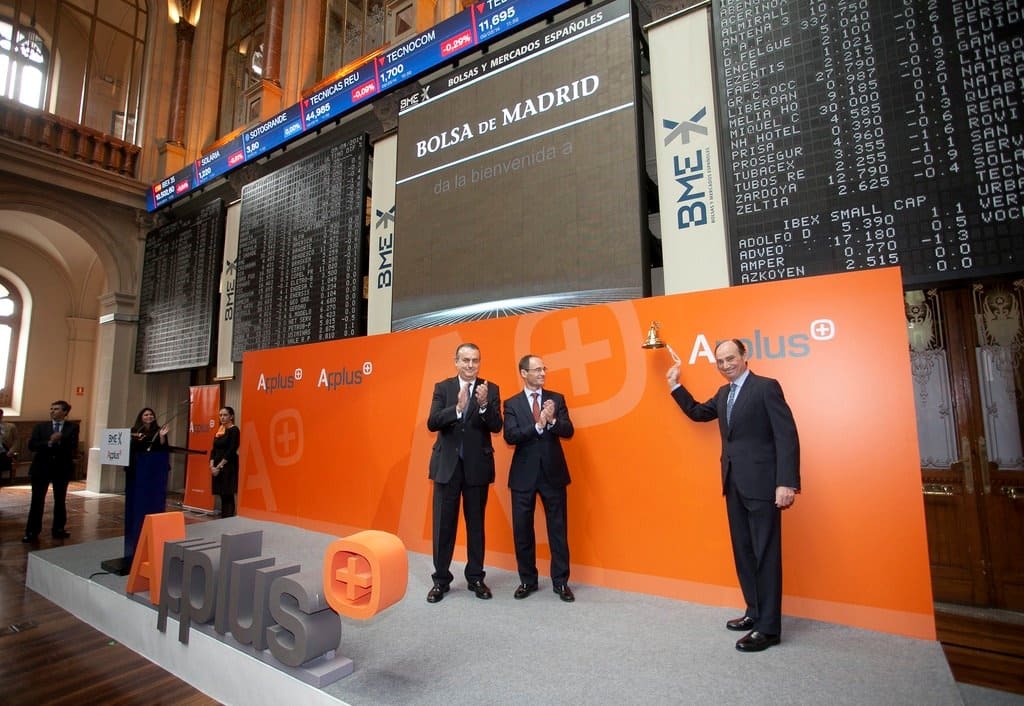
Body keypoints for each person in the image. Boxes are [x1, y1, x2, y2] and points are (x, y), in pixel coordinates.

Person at [666, 338, 800, 652]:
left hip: (765, 486)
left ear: (744, 356)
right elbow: (699, 413)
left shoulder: (766, 387)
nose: (726, 365)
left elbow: (787, 436)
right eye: (720, 361)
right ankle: (754, 612)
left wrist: (786, 482)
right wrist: (675, 386)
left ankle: (769, 629)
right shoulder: (724, 393)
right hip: (734, 485)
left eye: (730, 358)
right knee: (744, 553)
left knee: (766, 555)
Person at [425, 343, 503, 603]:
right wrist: (457, 409)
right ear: (456, 362)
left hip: (477, 469)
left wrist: (483, 406)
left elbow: (496, 426)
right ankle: (441, 581)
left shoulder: (489, 389)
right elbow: (433, 421)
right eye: (466, 360)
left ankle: (476, 578)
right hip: (447, 468)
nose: (471, 365)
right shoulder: (443, 387)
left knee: (476, 527)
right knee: (443, 527)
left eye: (475, 360)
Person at [503, 354, 576, 602]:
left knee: (558, 529)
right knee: (523, 531)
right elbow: (510, 436)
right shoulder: (511, 404)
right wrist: (537, 425)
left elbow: (568, 431)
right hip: (523, 476)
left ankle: (561, 582)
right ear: (524, 373)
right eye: (537, 370)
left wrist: (552, 420)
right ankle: (528, 581)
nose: (543, 373)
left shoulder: (556, 399)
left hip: (553, 474)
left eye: (544, 369)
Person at [22, 400, 79, 542]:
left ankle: (58, 528)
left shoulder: (72, 427)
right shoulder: (41, 427)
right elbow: (32, 445)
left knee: (60, 500)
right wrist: (49, 442)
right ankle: (32, 532)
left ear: (65, 412)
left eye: (56, 409)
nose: (52, 411)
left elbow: (73, 445)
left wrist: (61, 439)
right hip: (41, 468)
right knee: (37, 500)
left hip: (61, 468)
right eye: (51, 408)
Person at [210, 406, 239, 518]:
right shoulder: (220, 430)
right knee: (222, 494)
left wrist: (219, 466)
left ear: (231, 416)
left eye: (225, 415)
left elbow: (231, 450)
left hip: (228, 466)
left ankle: (228, 520)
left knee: (228, 494)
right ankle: (223, 518)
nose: (222, 417)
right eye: (220, 415)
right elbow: (214, 449)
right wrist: (212, 465)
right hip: (216, 465)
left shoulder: (234, 430)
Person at [0, 408, 19, 480]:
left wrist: (12, 450)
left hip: (5, 452)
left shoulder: (11, 426)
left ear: (1, 415)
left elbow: (16, 440)